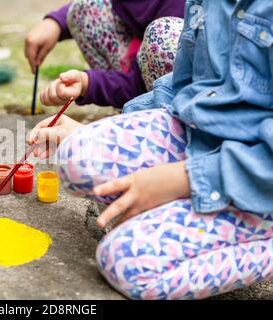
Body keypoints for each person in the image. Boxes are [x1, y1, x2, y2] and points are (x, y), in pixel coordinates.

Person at [28, 0, 273, 299]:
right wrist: (103, 126)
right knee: (76, 156)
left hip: (259, 181)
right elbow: (183, 87)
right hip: (202, 136)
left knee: (125, 260)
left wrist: (183, 179)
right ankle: (185, 217)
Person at [25, 0, 185, 108]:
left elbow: (139, 85)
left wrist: (88, 83)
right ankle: (129, 108)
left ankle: (156, 123)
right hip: (145, 65)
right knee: (85, 8)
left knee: (164, 36)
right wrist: (55, 23)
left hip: (182, 93)